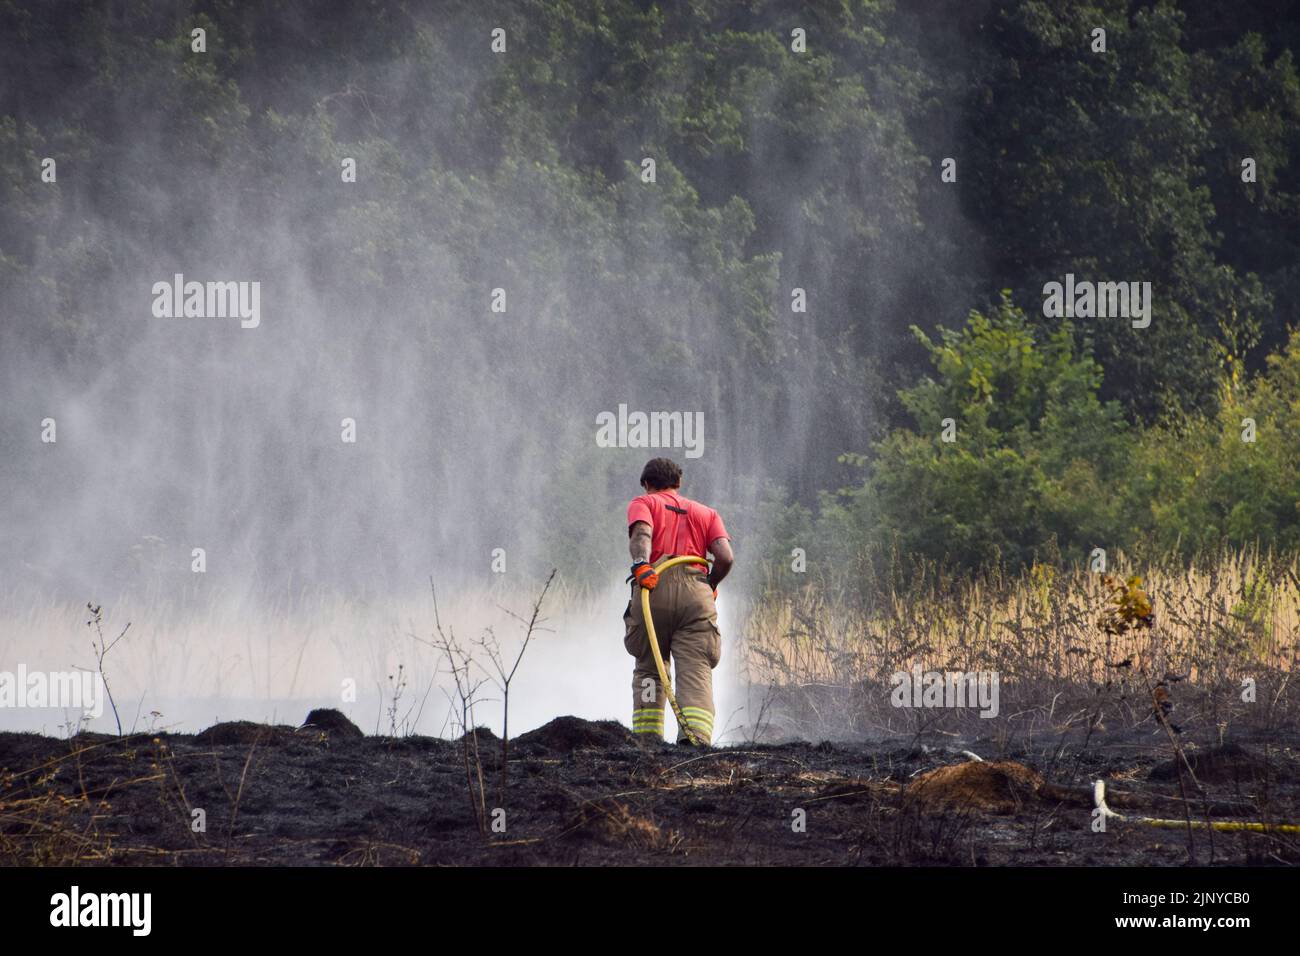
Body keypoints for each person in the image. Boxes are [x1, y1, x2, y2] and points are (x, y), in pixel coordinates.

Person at [623, 457, 733, 744]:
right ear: (678, 483)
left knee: (650, 666)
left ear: (647, 484)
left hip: (653, 587)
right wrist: (710, 585)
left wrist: (641, 564)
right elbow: (725, 557)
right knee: (696, 668)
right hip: (696, 596)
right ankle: (695, 741)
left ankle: (647, 740)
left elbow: (642, 533)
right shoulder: (707, 514)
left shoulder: (644, 503)